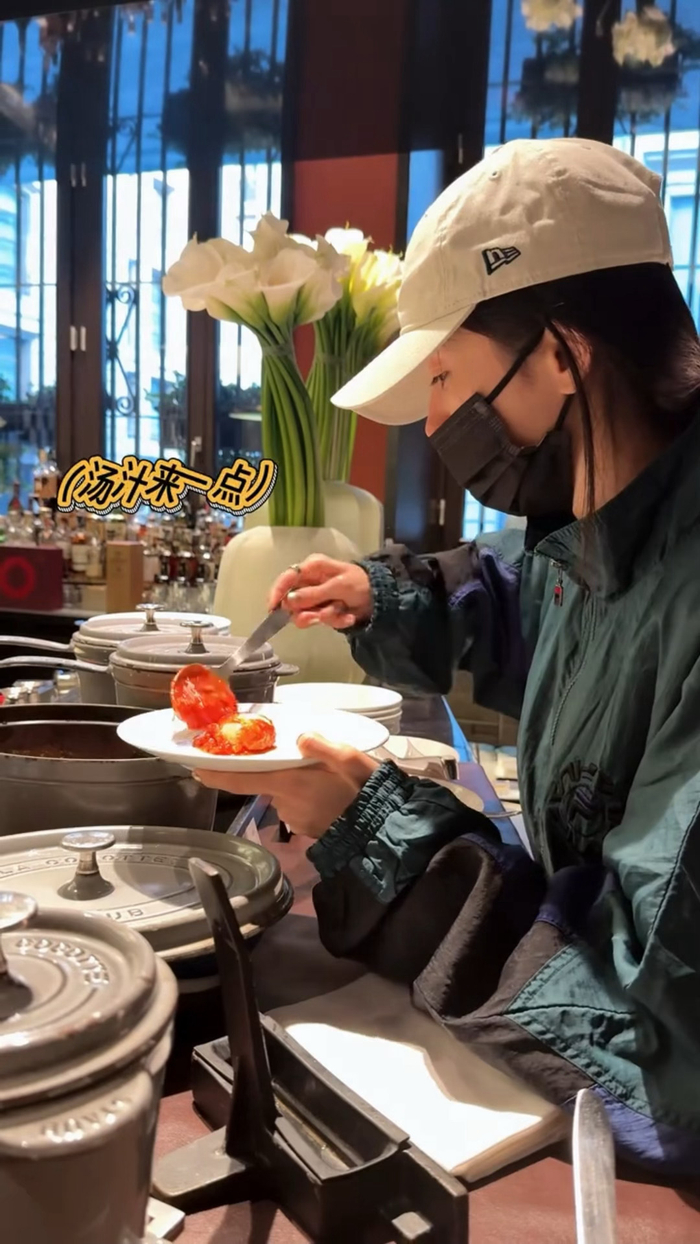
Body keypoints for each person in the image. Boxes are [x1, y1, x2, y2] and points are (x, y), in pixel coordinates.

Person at [198, 138, 700, 1176]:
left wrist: (384, 832)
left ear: (561, 354)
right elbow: (536, 596)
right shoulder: (612, 515)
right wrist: (389, 596)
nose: (433, 421)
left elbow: (655, 1043)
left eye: (443, 376)